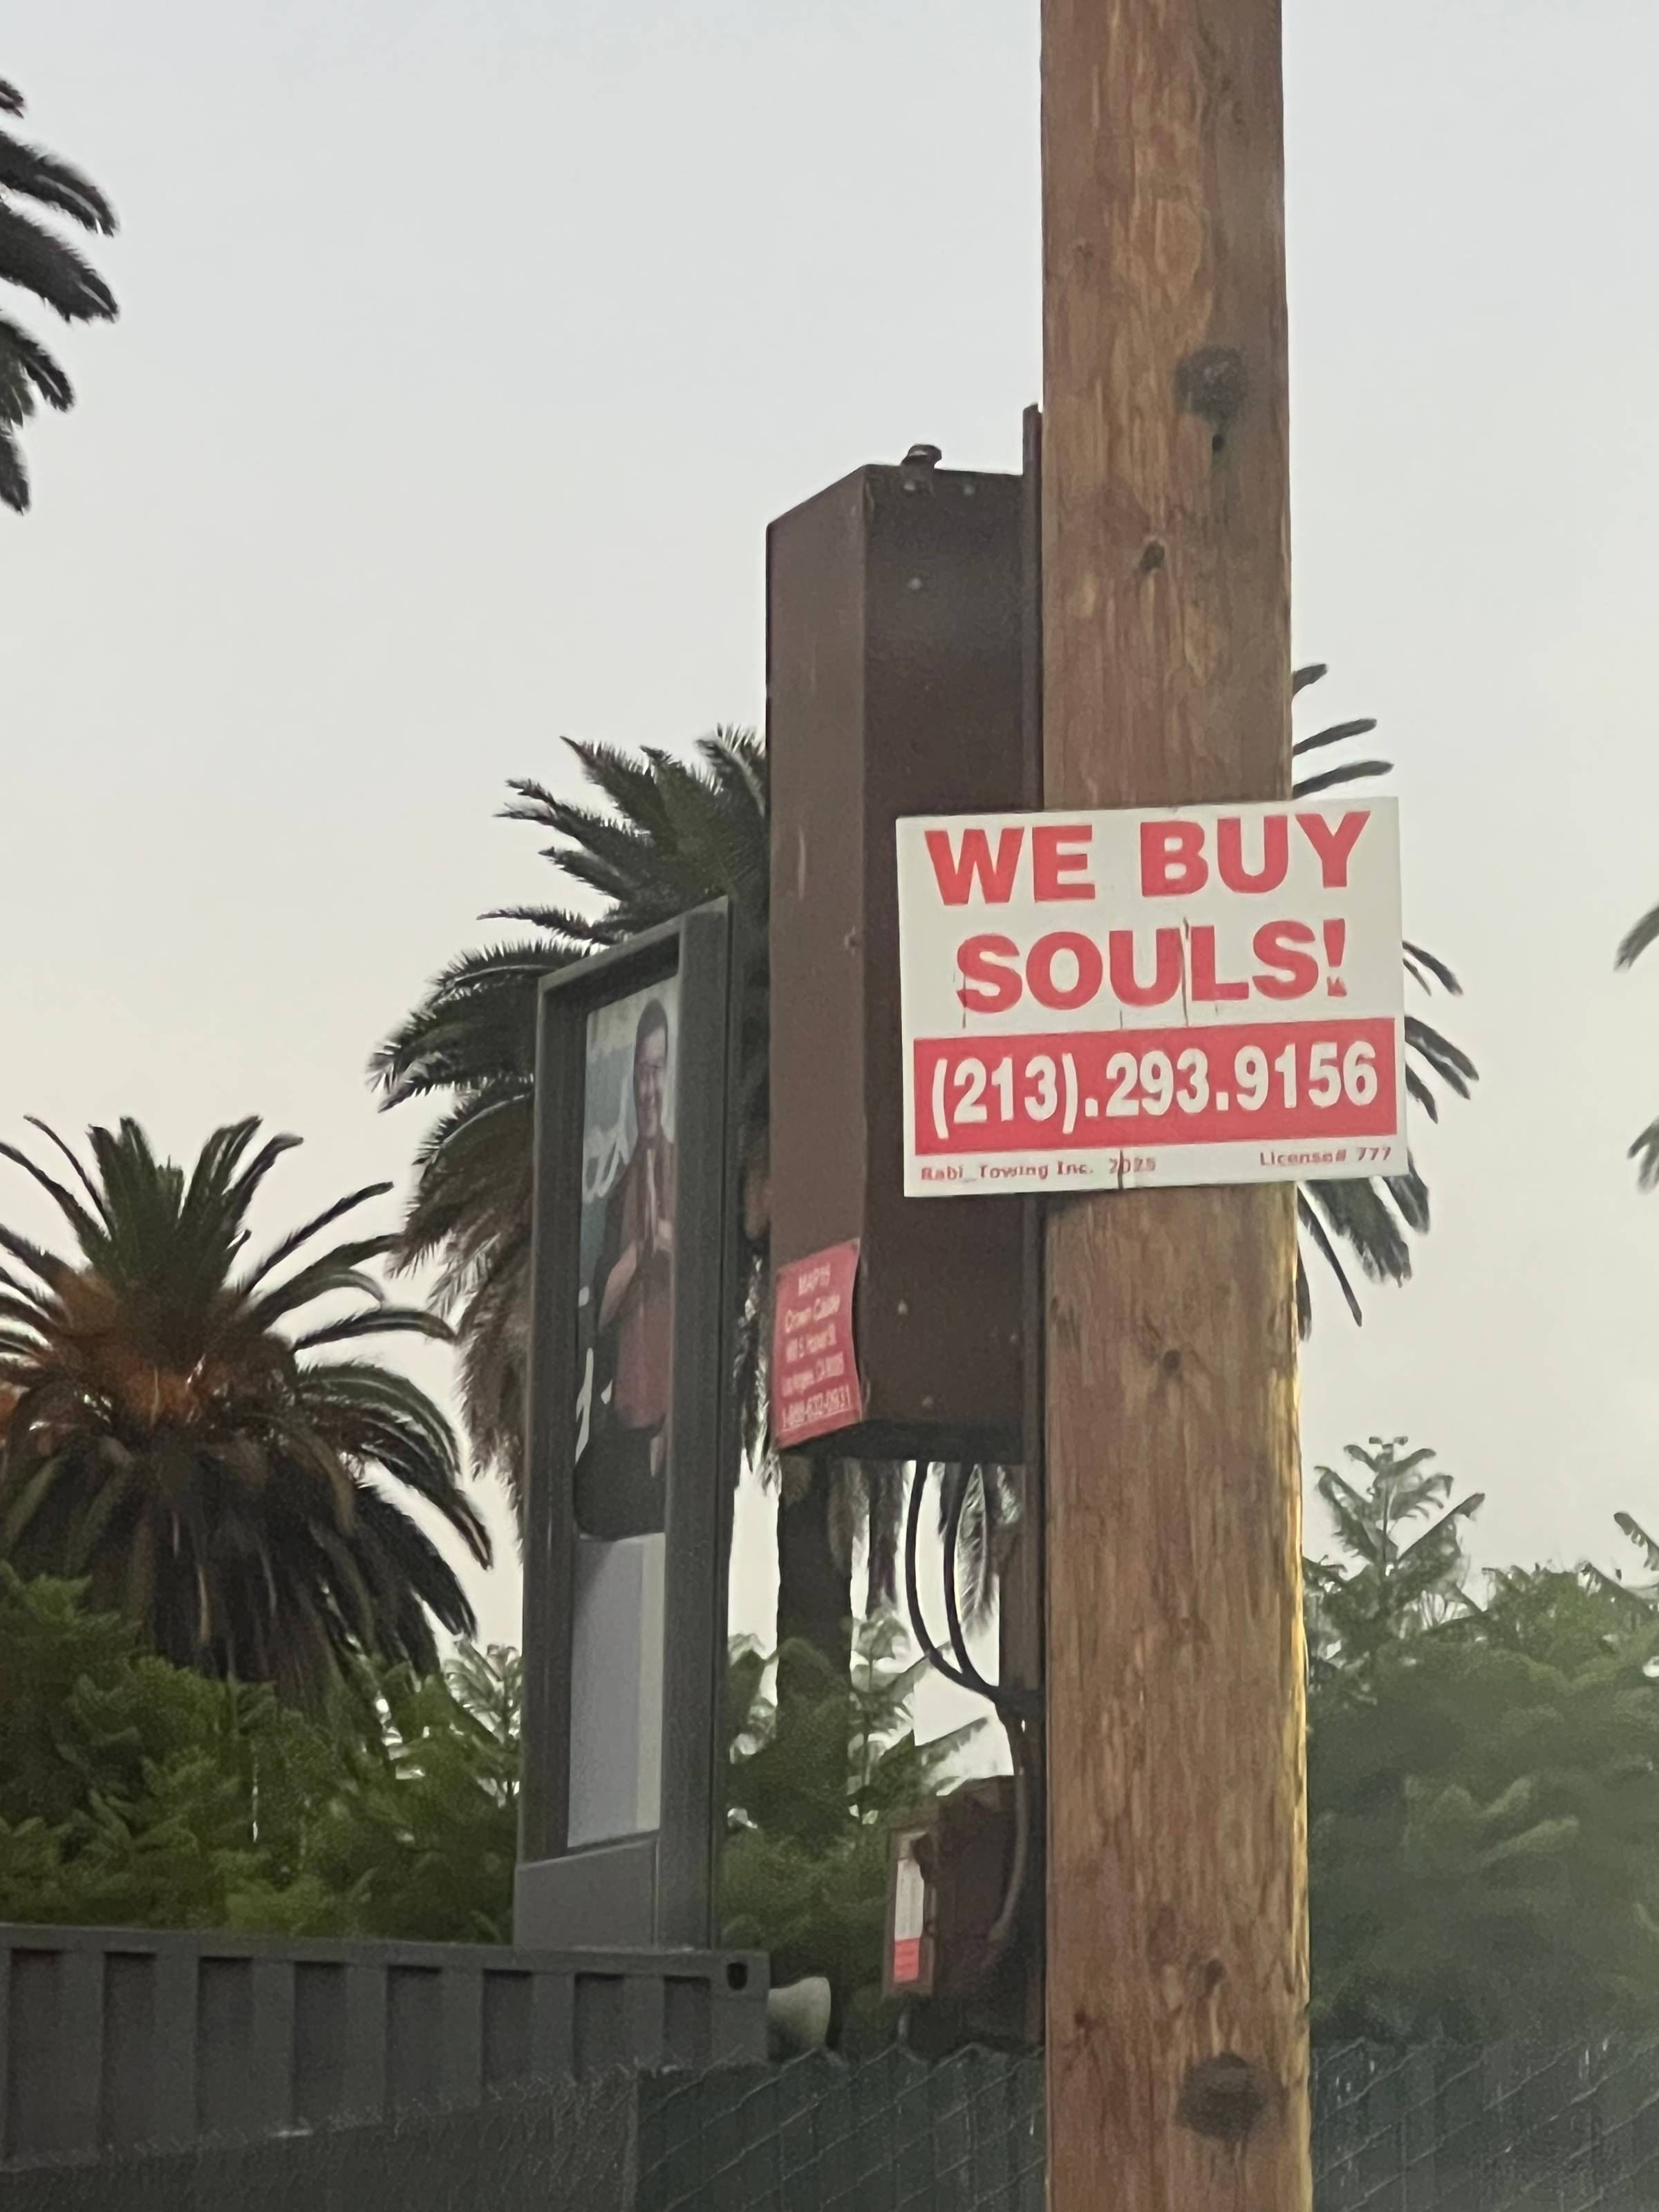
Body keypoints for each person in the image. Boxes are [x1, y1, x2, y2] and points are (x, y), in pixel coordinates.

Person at [592, 998, 675, 1485]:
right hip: (624, 1422)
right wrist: (639, 1254)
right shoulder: (621, 1191)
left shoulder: (686, 1172)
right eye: (641, 1075)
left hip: (673, 1424)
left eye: (658, 1072)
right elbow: (599, 1314)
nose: (649, 1090)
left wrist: (669, 1243)